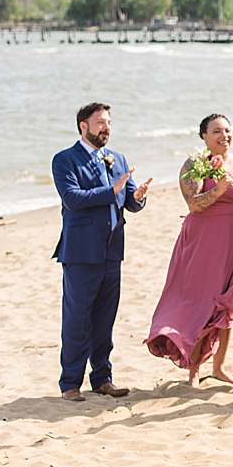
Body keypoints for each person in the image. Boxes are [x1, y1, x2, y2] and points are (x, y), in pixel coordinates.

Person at [146, 113, 233, 387]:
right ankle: (194, 369)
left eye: (227, 130)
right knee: (205, 303)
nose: (224, 135)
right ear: (204, 136)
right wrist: (219, 189)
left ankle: (219, 367)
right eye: (216, 131)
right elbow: (194, 204)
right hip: (204, 243)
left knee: (229, 302)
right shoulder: (195, 163)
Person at [51, 102, 151, 401]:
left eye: (108, 122)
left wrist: (137, 197)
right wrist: (113, 191)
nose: (106, 127)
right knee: (77, 319)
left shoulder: (117, 158)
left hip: (111, 252)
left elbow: (129, 201)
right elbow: (72, 199)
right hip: (81, 253)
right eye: (100, 122)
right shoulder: (65, 159)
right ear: (83, 126)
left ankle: (102, 379)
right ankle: (70, 383)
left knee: (105, 319)